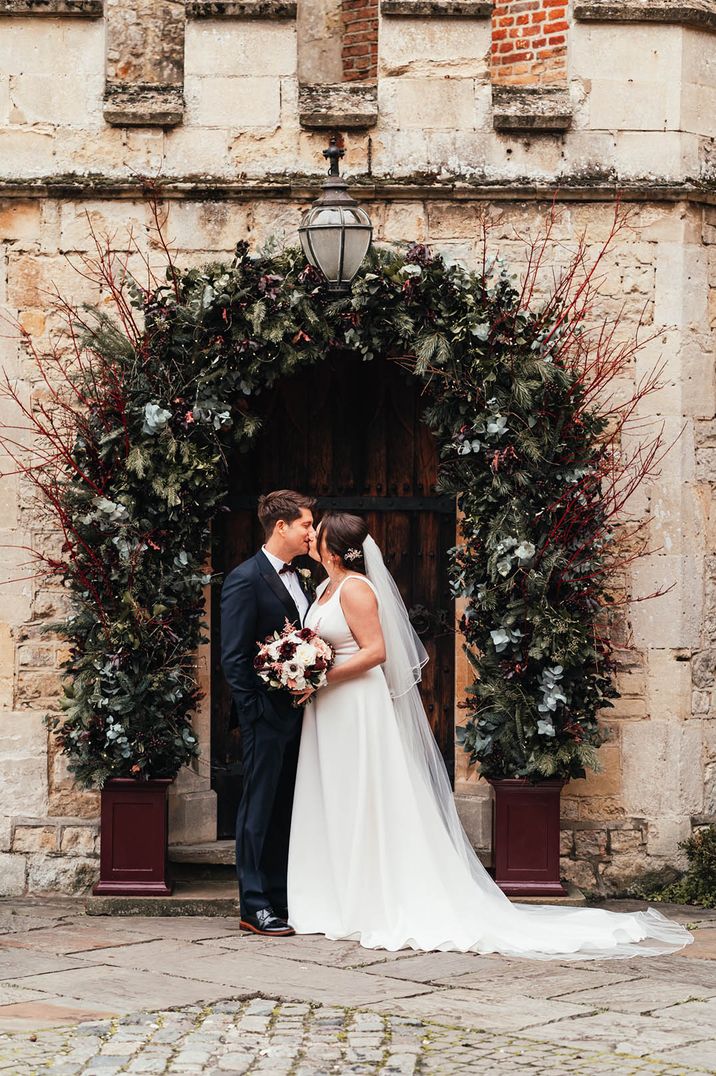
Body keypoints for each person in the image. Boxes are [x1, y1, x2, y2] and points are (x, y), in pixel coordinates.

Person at [287, 512, 692, 959]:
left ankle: (368, 897)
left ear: (331, 545)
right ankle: (334, 894)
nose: (311, 536)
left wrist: (322, 676)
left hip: (356, 706)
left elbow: (377, 651)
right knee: (337, 794)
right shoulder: (323, 587)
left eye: (316, 531)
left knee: (363, 794)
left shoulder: (358, 589)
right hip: (330, 708)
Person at [220, 489, 316, 937]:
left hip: (302, 715)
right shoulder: (245, 578)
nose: (311, 533)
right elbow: (234, 657)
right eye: (306, 525)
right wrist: (256, 710)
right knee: (257, 809)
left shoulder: (305, 576)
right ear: (281, 527)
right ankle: (253, 904)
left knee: (286, 808)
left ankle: (279, 897)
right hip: (265, 717)